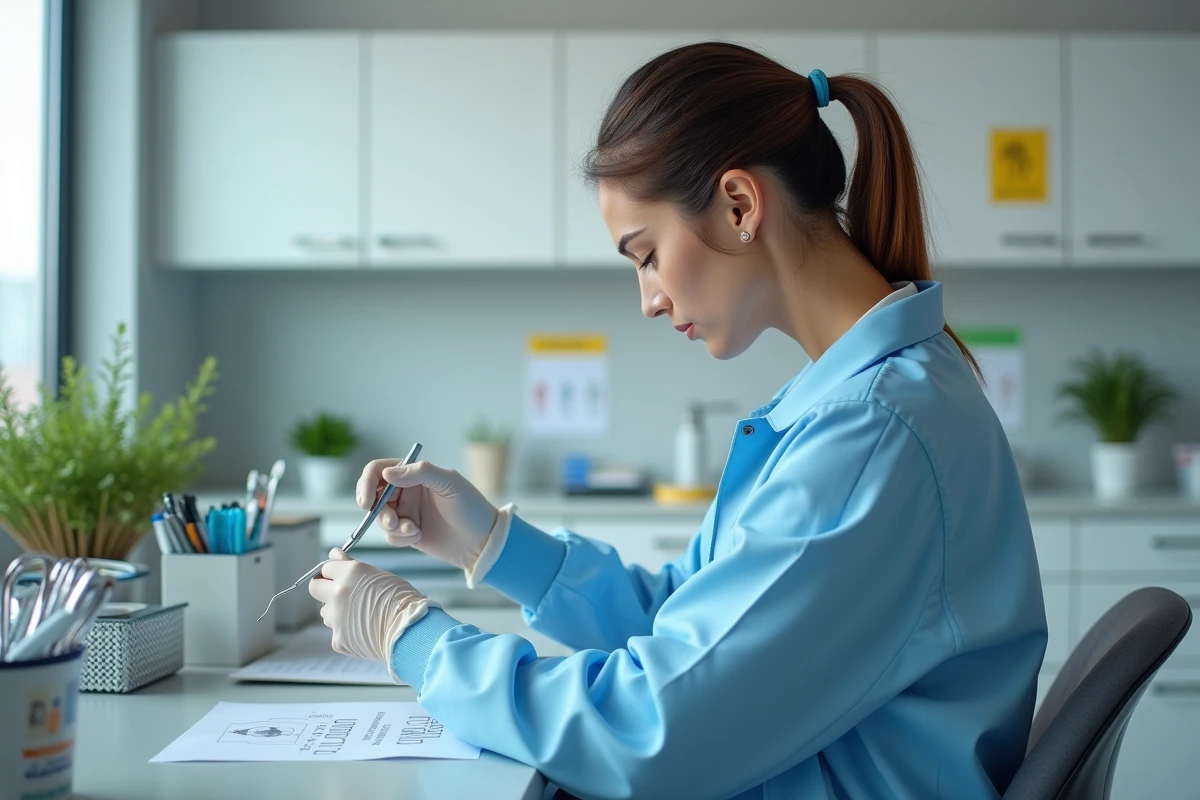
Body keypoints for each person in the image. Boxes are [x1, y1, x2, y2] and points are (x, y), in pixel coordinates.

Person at [308, 42, 1047, 800]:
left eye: (647, 255)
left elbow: (650, 730)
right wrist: (490, 542)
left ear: (739, 205)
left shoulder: (871, 434)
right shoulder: (856, 404)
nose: (649, 299)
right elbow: (688, 621)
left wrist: (413, 638)